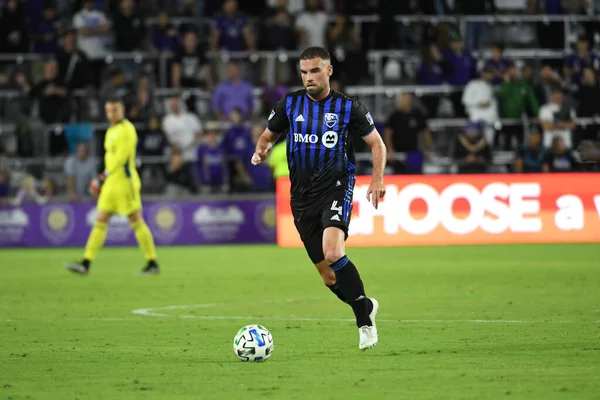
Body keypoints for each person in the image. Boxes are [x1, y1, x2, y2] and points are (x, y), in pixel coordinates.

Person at [251, 47, 386, 351]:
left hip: (336, 186)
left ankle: (364, 323)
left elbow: (377, 145)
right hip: (301, 197)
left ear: (328, 71)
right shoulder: (289, 104)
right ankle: (364, 305)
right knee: (328, 277)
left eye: (314, 71)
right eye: (303, 72)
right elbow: (267, 135)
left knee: (334, 252)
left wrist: (377, 179)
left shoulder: (349, 107)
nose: (308, 77)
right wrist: (262, 149)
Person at [65, 97, 159, 276]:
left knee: (135, 219)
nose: (111, 113)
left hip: (125, 181)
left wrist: (102, 176)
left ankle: (152, 261)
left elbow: (122, 156)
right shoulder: (111, 130)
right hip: (111, 182)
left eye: (115, 110)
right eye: (109, 110)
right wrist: (106, 178)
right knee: (101, 219)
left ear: (122, 110)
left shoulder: (127, 129)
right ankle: (86, 262)